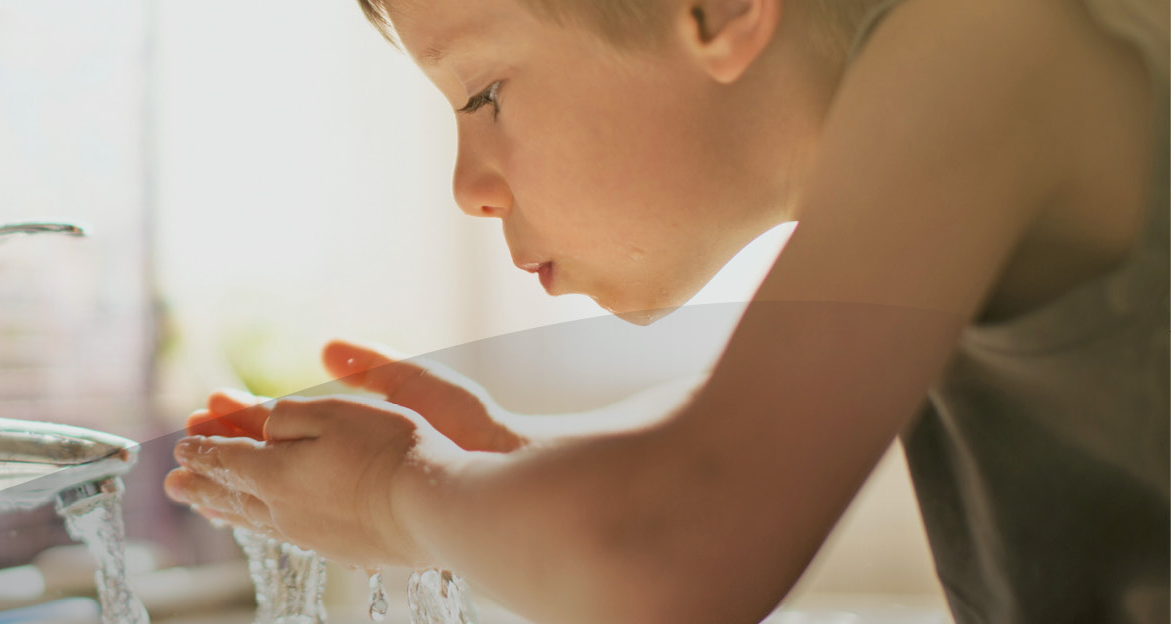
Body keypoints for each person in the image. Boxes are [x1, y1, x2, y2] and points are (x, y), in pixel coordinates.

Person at [163, 0, 1169, 621]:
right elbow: (715, 470)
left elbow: (675, 550)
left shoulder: (991, 46)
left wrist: (401, 493)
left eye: (482, 98)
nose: (467, 186)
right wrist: (510, 464)